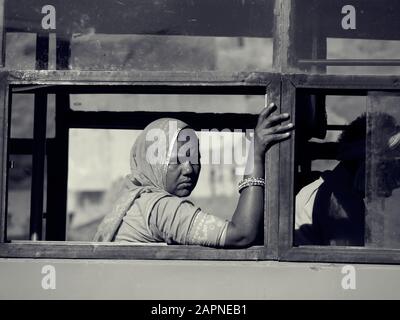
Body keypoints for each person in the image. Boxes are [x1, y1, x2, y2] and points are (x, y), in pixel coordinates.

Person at [94, 103, 293, 248]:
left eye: (195, 158)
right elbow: (242, 234)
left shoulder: (136, 201)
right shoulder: (159, 208)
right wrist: (256, 153)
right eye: (178, 160)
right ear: (152, 162)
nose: (189, 169)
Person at [295, 113, 400, 246]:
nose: (391, 188)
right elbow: (349, 262)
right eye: (386, 169)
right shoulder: (338, 199)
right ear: (364, 160)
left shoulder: (332, 185)